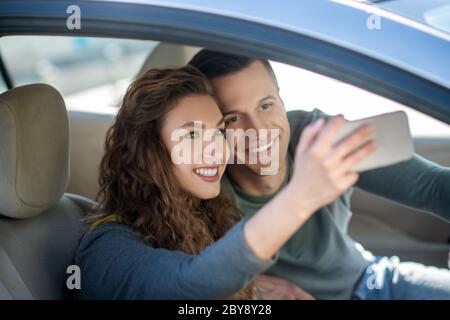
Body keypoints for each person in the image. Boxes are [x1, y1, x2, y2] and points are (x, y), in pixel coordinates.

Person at [75, 65, 376, 299]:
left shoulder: (203, 213)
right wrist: (300, 196)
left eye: (218, 132)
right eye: (191, 135)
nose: (215, 150)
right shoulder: (107, 250)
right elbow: (190, 288)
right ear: (149, 150)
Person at [188, 49, 450, 300]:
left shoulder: (318, 136)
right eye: (233, 118)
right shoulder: (199, 181)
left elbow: (433, 187)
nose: (258, 129)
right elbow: (180, 283)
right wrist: (247, 291)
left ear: (281, 98)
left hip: (369, 281)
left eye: (266, 106)